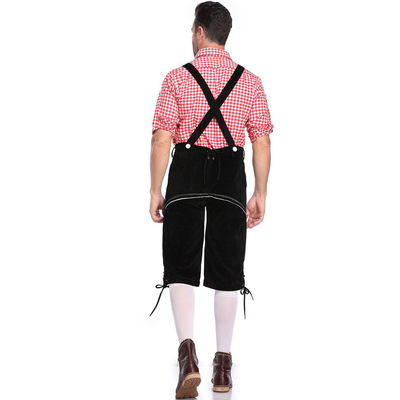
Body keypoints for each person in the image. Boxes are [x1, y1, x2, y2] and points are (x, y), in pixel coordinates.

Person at [149, 2, 273, 398]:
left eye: (192, 30)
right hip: (230, 174)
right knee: (227, 268)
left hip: (186, 170)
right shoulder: (250, 82)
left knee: (181, 264)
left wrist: (155, 189)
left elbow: (162, 139)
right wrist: (260, 193)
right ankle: (222, 366)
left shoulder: (176, 78)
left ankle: (188, 357)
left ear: (200, 31)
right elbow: (262, 142)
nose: (191, 35)